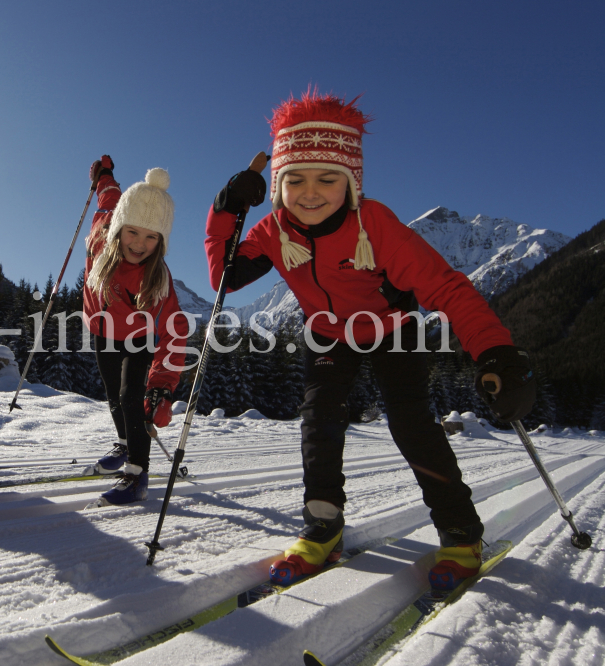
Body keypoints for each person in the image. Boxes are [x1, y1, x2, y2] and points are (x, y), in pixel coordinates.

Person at [204, 90, 536, 590]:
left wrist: (496, 352)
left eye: (327, 178)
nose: (310, 192)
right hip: (328, 334)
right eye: (294, 179)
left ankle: (461, 533)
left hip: (391, 331)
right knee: (319, 423)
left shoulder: (375, 225)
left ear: (351, 184)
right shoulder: (273, 231)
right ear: (276, 186)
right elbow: (224, 276)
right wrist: (226, 209)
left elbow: (446, 287)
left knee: (411, 425)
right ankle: (323, 527)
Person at [84, 156, 190, 505]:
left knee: (132, 397)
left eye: (151, 237)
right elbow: (109, 197)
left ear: (161, 241)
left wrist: (161, 387)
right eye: (132, 231)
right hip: (103, 329)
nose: (139, 243)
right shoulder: (102, 232)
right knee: (113, 394)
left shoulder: (157, 279)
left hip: (139, 336)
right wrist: (104, 175)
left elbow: (175, 331)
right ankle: (125, 440)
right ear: (117, 228)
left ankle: (136, 473)